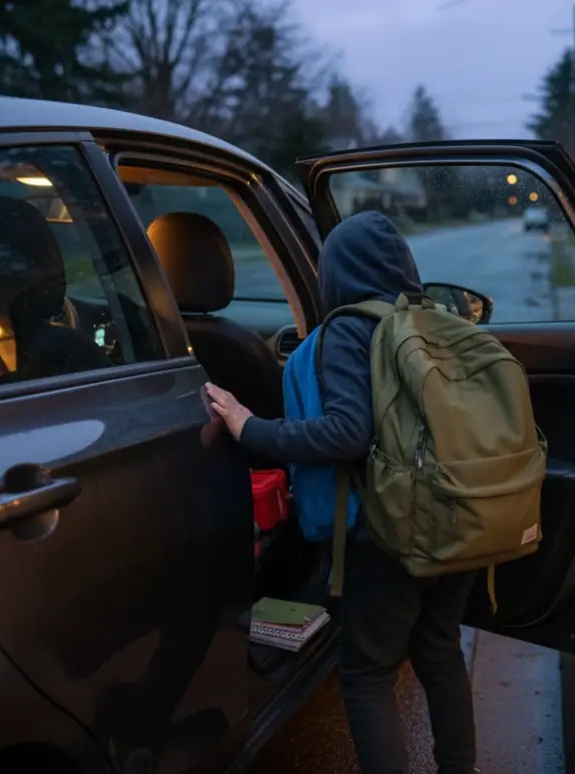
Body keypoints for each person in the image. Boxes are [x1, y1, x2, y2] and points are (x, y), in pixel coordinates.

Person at [203, 211, 480, 774]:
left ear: (335, 275)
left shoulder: (348, 332)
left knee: (367, 676)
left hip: (391, 532)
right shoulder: (435, 324)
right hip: (462, 517)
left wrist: (248, 426)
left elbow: (345, 432)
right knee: (439, 652)